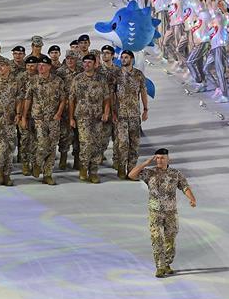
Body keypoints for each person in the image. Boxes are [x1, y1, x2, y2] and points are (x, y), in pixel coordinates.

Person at [127, 148, 197, 277]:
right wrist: (145, 163)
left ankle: (167, 263)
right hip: (155, 212)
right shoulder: (150, 173)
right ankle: (160, 266)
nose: (159, 160)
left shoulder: (175, 173)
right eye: (157, 158)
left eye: (162, 158)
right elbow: (131, 175)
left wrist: (191, 198)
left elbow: (184, 186)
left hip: (171, 212)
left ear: (168, 159)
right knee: (157, 238)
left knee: (170, 238)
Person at [21, 56, 65, 185]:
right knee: (42, 143)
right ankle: (37, 163)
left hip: (53, 118)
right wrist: (24, 116)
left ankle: (47, 174)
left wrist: (59, 113)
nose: (40, 67)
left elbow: (63, 99)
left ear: (49, 67)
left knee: (52, 146)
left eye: (43, 65)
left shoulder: (57, 81)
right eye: (39, 65)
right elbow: (27, 99)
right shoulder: (33, 81)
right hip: (38, 118)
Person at [69, 53, 111, 183]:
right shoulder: (77, 79)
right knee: (86, 143)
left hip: (98, 117)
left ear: (95, 64)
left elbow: (107, 98)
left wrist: (106, 113)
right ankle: (83, 167)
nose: (86, 65)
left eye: (89, 63)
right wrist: (71, 118)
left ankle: (93, 171)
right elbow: (71, 99)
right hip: (82, 117)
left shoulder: (101, 79)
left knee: (97, 144)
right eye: (85, 62)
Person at [114, 49, 148, 179]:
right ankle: (121, 168)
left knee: (134, 144)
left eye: (126, 57)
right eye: (122, 57)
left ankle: (132, 169)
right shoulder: (116, 75)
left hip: (134, 115)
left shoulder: (138, 75)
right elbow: (112, 95)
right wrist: (113, 112)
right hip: (121, 115)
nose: (123, 59)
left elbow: (143, 93)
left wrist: (146, 110)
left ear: (131, 59)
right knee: (122, 143)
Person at [0, 59, 20, 186]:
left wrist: (18, 113)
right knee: (0, 146)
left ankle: (7, 174)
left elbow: (19, 99)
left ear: (8, 67)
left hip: (10, 118)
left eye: (3, 66)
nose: (0, 68)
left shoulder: (14, 82)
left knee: (11, 146)